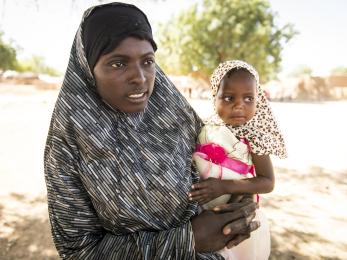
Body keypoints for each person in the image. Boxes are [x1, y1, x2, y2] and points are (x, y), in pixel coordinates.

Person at [44, 3, 260, 259]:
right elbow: (78, 250)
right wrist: (187, 240)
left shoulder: (174, 112)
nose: (141, 77)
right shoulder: (68, 144)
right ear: (88, 69)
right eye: (117, 64)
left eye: (147, 61)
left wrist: (240, 201)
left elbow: (219, 167)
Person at [189, 60, 287, 259]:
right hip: (202, 216)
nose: (239, 105)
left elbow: (267, 182)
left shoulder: (254, 138)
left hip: (235, 214)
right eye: (228, 97)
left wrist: (224, 187)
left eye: (249, 98)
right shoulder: (205, 128)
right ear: (214, 97)